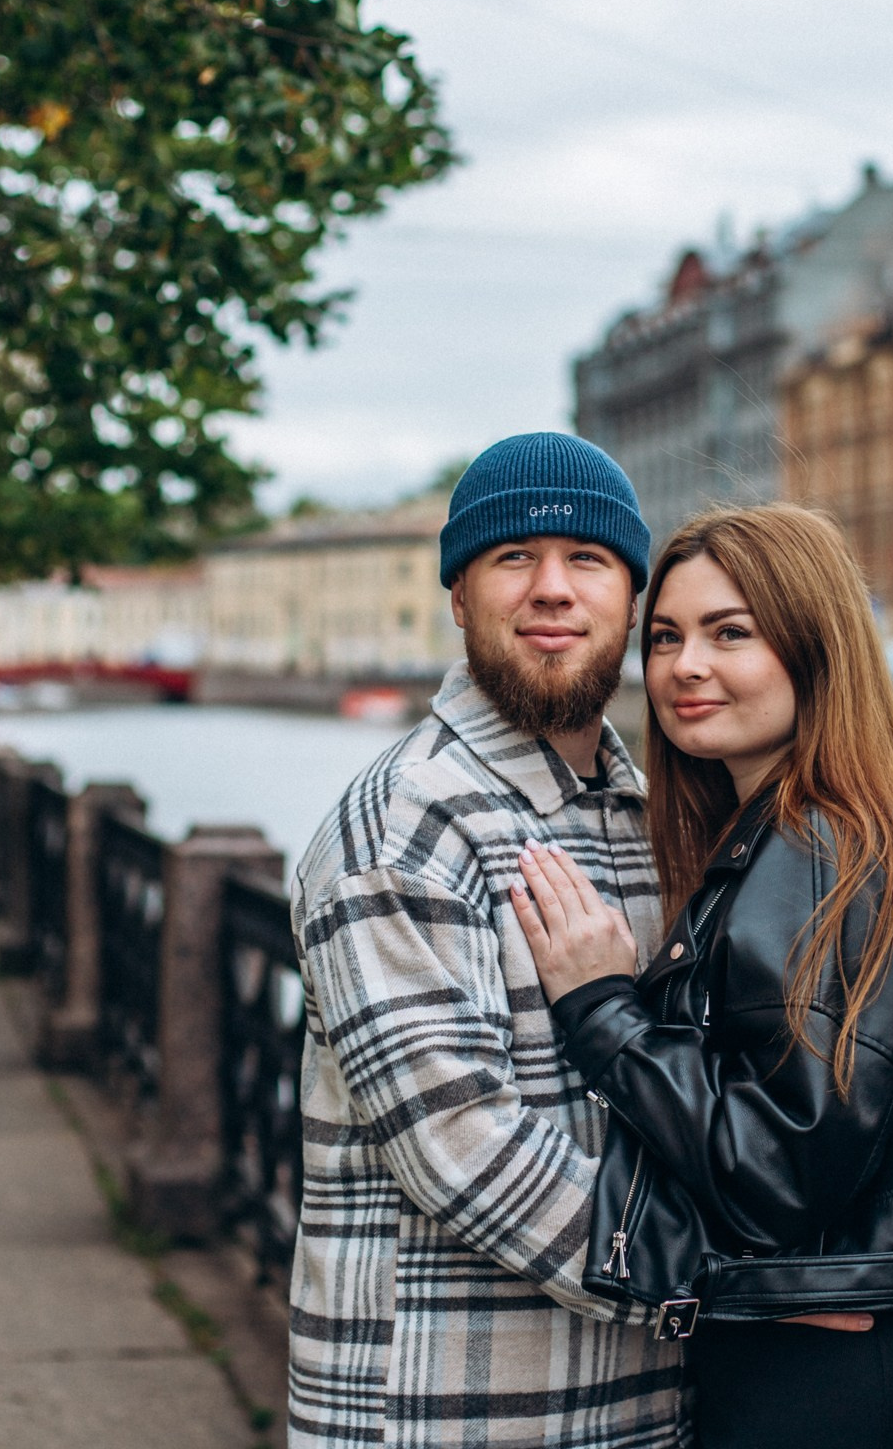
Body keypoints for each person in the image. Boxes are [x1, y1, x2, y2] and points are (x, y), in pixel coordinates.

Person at [510, 503, 893, 1449]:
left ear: (815, 651)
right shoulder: (826, 837)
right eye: (668, 636)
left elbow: (776, 1176)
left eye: (732, 634)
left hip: (830, 1384)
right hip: (867, 1357)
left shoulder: (814, 851)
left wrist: (603, 1014)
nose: (685, 666)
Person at [287, 433, 686, 1449]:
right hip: (451, 1415)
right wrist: (722, 1278)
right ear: (458, 596)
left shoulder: (644, 813)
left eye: (587, 559)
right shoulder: (402, 824)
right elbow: (461, 1151)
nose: (552, 588)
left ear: (630, 599)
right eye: (514, 558)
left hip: (636, 1411)